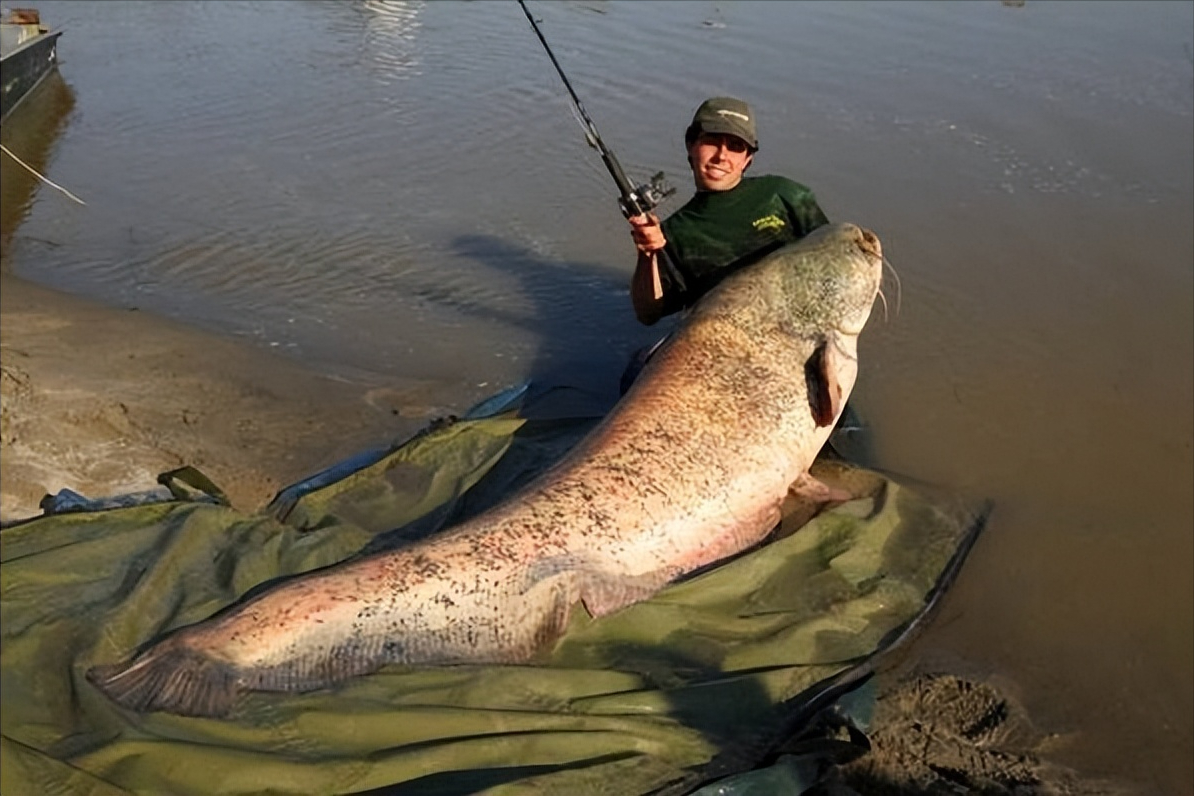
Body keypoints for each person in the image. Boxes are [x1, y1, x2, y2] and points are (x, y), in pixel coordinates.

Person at [619, 96, 830, 390]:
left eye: (735, 146)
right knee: (635, 376)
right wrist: (648, 254)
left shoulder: (785, 196)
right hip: (722, 351)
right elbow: (648, 314)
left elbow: (832, 262)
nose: (721, 155)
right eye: (711, 141)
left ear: (748, 158)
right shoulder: (674, 232)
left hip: (796, 344)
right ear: (691, 144)